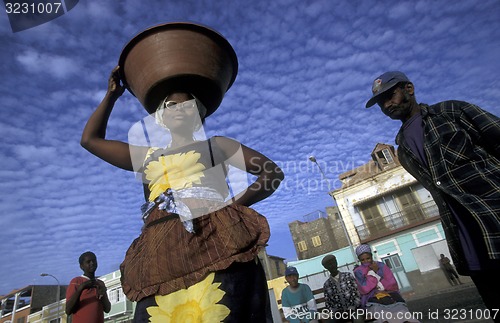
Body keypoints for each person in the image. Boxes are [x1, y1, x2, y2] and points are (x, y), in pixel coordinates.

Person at [81, 64, 284, 322]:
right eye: (171, 105)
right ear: (162, 117)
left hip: (213, 243)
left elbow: (271, 173)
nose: (179, 109)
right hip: (160, 255)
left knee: (222, 310)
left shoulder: (217, 146)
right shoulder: (147, 157)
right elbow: (90, 140)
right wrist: (111, 96)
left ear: (198, 115)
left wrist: (233, 206)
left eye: (187, 105)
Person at [365, 71, 500, 315]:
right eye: (381, 102)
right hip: (472, 248)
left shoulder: (452, 112)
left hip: (494, 222)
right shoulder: (403, 150)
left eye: (390, 95)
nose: (386, 105)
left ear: (409, 88)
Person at [353, 244, 419, 323]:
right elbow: (364, 288)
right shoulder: (358, 271)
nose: (366, 261)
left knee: (401, 309)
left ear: (371, 256)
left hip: (389, 295)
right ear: (359, 260)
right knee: (380, 312)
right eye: (363, 260)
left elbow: (392, 283)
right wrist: (375, 274)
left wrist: (378, 271)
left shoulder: (381, 266)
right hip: (371, 298)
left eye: (368, 258)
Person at [65, 251, 111, 323]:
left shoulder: (100, 283)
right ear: (81, 266)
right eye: (88, 262)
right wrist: (81, 288)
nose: (92, 263)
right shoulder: (76, 282)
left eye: (94, 260)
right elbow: (68, 310)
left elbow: (107, 309)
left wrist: (103, 294)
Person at [321, 255, 364, 323]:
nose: (332, 266)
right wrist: (336, 312)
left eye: (333, 263)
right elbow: (328, 303)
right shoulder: (327, 284)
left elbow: (357, 294)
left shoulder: (348, 276)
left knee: (358, 319)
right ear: (326, 267)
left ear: (336, 263)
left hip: (354, 310)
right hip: (338, 313)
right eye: (329, 265)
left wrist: (351, 308)